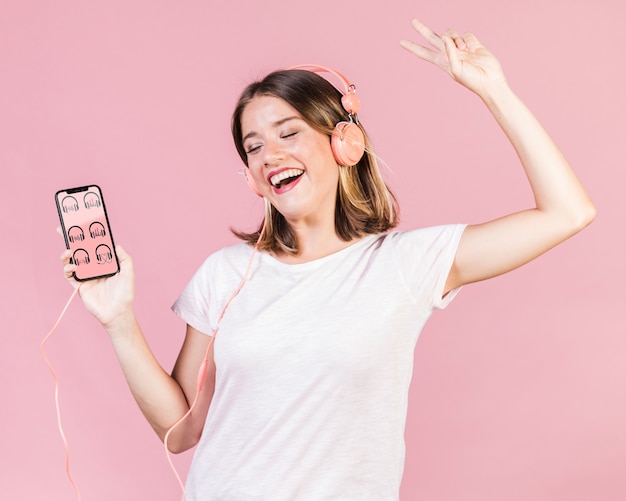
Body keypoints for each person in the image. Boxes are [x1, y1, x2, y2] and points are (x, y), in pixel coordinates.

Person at [60, 17, 595, 500]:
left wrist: (493, 90)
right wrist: (118, 320)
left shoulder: (406, 265)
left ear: (345, 143)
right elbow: (180, 432)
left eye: (288, 133)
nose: (270, 155)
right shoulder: (226, 273)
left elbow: (567, 212)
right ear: (249, 176)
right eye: (253, 147)